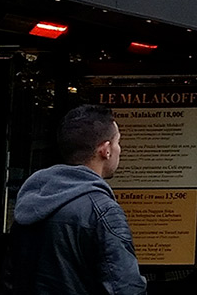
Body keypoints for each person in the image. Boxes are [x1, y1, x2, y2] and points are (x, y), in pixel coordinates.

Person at [8, 104, 147, 295]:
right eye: (118, 142)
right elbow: (125, 288)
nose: (119, 149)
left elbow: (10, 280)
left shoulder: (30, 202)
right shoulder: (102, 210)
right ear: (105, 150)